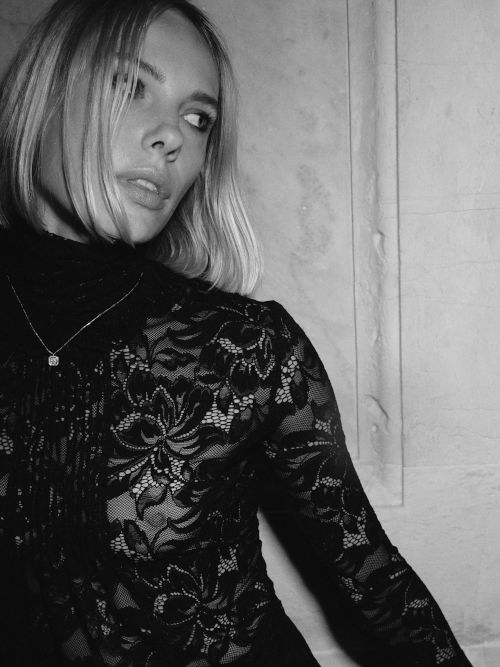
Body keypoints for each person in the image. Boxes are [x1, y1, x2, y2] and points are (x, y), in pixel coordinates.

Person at [0, 0, 471, 665]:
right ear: (45, 92)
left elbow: (375, 583)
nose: (172, 137)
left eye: (198, 119)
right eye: (130, 86)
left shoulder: (246, 350)